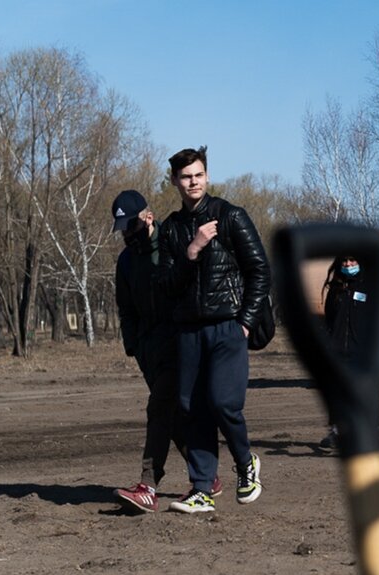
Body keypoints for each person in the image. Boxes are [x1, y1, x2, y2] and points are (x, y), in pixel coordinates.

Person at [154, 147, 268, 513]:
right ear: (174, 180)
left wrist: (246, 323)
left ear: (207, 176)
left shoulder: (231, 216)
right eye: (186, 176)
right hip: (188, 331)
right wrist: (192, 251)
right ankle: (202, 488)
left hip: (228, 328)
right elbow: (167, 285)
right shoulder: (171, 229)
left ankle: (246, 463)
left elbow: (260, 271)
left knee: (222, 402)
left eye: (199, 175)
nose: (193, 182)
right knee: (190, 408)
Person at [110, 190, 221, 512]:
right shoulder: (126, 261)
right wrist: (134, 345)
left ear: (148, 217)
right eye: (122, 229)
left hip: (181, 344)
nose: (127, 234)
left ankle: (148, 485)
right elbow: (126, 308)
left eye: (130, 226)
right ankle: (207, 475)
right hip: (149, 351)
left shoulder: (173, 242)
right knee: (171, 419)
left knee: (158, 408)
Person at [319, 254, 379, 449]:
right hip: (337, 349)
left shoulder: (369, 287)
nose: (348, 265)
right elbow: (329, 320)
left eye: (352, 261)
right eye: (344, 262)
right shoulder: (335, 289)